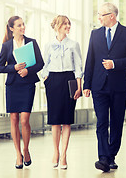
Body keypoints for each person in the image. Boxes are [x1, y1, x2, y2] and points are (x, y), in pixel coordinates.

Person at [83, 2, 126, 172]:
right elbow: (90, 60)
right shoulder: (95, 34)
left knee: (116, 122)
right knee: (101, 122)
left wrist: (115, 64)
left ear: (111, 16)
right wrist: (87, 84)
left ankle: (111, 156)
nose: (98, 18)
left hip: (119, 86)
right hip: (99, 85)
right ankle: (103, 158)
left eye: (101, 15)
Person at [0, 16, 44, 169]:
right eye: (19, 25)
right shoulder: (6, 46)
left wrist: (27, 70)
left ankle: (26, 149)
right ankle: (18, 154)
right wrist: (14, 68)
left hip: (27, 84)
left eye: (23, 24)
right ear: (11, 28)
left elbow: (40, 63)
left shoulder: (32, 42)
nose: (22, 27)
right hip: (12, 85)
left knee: (24, 120)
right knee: (14, 119)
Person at [42, 15, 83, 169]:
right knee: (55, 120)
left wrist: (79, 86)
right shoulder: (48, 45)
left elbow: (78, 66)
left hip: (69, 80)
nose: (68, 26)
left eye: (69, 24)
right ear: (57, 26)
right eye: (65, 24)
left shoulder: (74, 44)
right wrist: (46, 78)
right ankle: (55, 152)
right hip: (52, 80)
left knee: (66, 120)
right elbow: (44, 64)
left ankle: (64, 154)